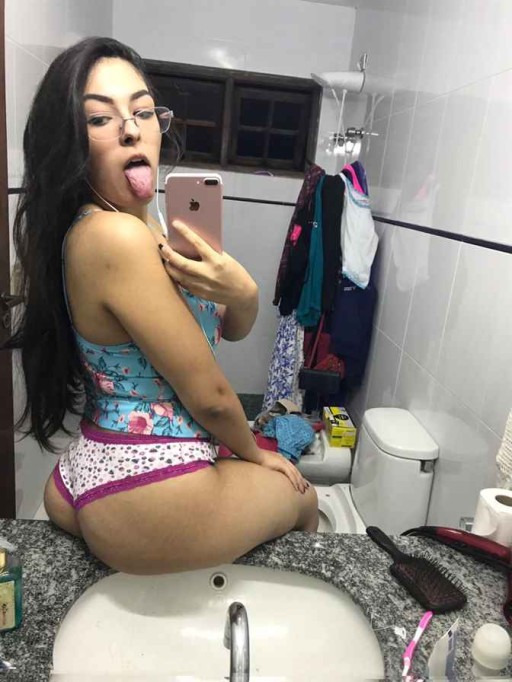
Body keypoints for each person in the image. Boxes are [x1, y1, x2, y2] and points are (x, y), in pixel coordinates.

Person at [8, 37, 318, 575]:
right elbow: (211, 397)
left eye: (144, 111)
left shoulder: (145, 226)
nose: (131, 129)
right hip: (148, 487)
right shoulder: (117, 237)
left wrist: (242, 293)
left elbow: (231, 329)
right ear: (70, 141)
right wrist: (256, 454)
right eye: (100, 119)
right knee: (305, 499)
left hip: (96, 462)